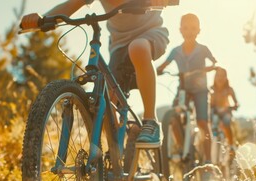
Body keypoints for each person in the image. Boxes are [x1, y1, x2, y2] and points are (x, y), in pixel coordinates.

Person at [20, 0, 171, 148]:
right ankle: (118, 149)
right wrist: (41, 19)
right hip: (119, 46)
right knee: (106, 103)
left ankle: (151, 121)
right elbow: (70, 5)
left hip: (151, 33)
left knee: (138, 48)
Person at [156, 13, 217, 181]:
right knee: (173, 118)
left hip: (200, 90)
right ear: (180, 30)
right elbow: (164, 64)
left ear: (199, 30)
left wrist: (211, 66)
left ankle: (208, 166)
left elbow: (214, 61)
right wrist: (158, 69)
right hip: (183, 89)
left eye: (193, 28)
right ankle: (185, 151)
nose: (189, 31)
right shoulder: (176, 51)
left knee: (203, 122)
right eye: (186, 27)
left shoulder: (203, 49)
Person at [210, 67, 239, 155]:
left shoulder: (229, 89)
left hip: (225, 111)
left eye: (222, 76)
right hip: (214, 112)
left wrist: (234, 106)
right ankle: (209, 143)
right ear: (214, 77)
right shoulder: (211, 89)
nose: (220, 78)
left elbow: (236, 102)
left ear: (226, 78)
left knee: (226, 122)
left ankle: (231, 145)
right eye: (218, 75)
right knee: (212, 122)